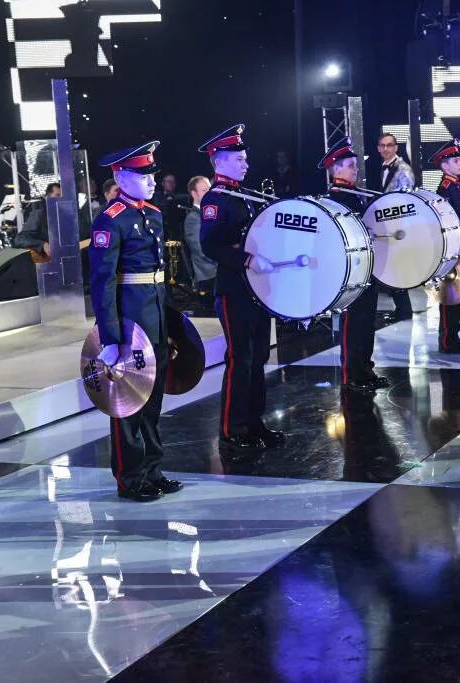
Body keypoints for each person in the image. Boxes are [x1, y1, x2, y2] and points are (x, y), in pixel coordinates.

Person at [88, 141, 181, 501]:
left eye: (152, 174)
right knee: (128, 403)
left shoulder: (153, 214)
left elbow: (160, 279)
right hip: (130, 324)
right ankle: (130, 478)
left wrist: (171, 328)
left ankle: (152, 469)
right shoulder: (110, 220)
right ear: (120, 176)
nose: (151, 181)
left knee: (153, 400)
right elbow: (103, 283)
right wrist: (110, 339)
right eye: (143, 175)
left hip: (154, 319)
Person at [198, 124, 285, 455]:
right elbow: (210, 244)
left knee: (259, 356)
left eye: (245, 158)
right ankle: (232, 429)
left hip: (256, 290)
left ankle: (254, 422)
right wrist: (245, 258)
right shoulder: (217, 199)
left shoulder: (243, 196)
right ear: (220, 160)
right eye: (239, 159)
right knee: (240, 358)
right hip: (234, 290)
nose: (246, 164)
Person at [322, 137, 391, 393]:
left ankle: (365, 368)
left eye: (355, 165)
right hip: (352, 271)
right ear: (337, 168)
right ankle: (353, 373)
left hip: (365, 269)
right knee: (354, 324)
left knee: (366, 323)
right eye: (350, 165)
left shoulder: (352, 194)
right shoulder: (336, 198)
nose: (355, 169)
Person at [431, 138, 460, 354]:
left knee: (458, 292)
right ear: (445, 165)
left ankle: (452, 337)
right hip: (452, 245)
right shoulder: (446, 187)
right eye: (456, 160)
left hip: (458, 244)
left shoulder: (454, 184)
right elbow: (445, 218)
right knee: (450, 293)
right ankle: (448, 339)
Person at [375, 133, 415, 321]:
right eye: (382, 145)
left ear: (396, 147)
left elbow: (406, 200)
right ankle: (402, 309)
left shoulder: (403, 169)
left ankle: (404, 310)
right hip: (385, 224)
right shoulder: (380, 167)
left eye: (389, 145)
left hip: (398, 225)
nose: (385, 149)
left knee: (397, 266)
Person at [183, 175, 216, 298]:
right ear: (194, 194)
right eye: (204, 190)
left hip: (216, 273)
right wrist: (225, 260)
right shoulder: (193, 219)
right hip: (208, 277)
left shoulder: (209, 214)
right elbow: (201, 251)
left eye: (210, 189)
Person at [13, 182, 62, 256]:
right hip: (48, 262)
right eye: (57, 195)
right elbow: (19, 239)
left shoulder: (68, 215)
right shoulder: (39, 215)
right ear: (47, 198)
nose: (60, 199)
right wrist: (42, 245)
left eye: (62, 196)